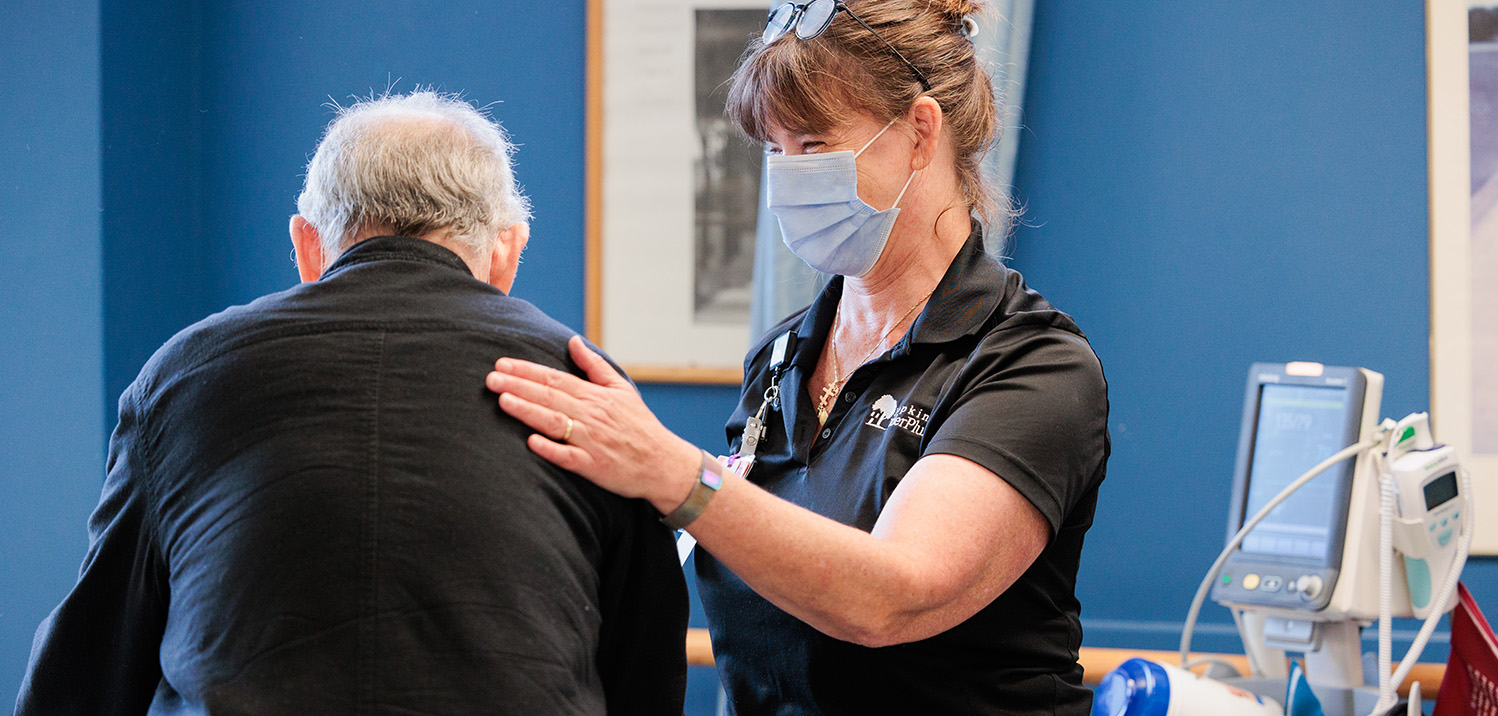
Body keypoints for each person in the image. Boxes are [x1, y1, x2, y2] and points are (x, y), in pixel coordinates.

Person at [483, 1, 1109, 714]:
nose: (785, 176)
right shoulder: (781, 359)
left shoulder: (1030, 365)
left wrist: (675, 475)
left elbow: (890, 599)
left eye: (811, 144)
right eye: (773, 149)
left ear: (919, 132)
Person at [14, 91, 687, 716]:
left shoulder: (186, 378)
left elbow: (84, 672)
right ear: (506, 253)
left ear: (308, 246)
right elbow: (644, 676)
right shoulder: (586, 391)